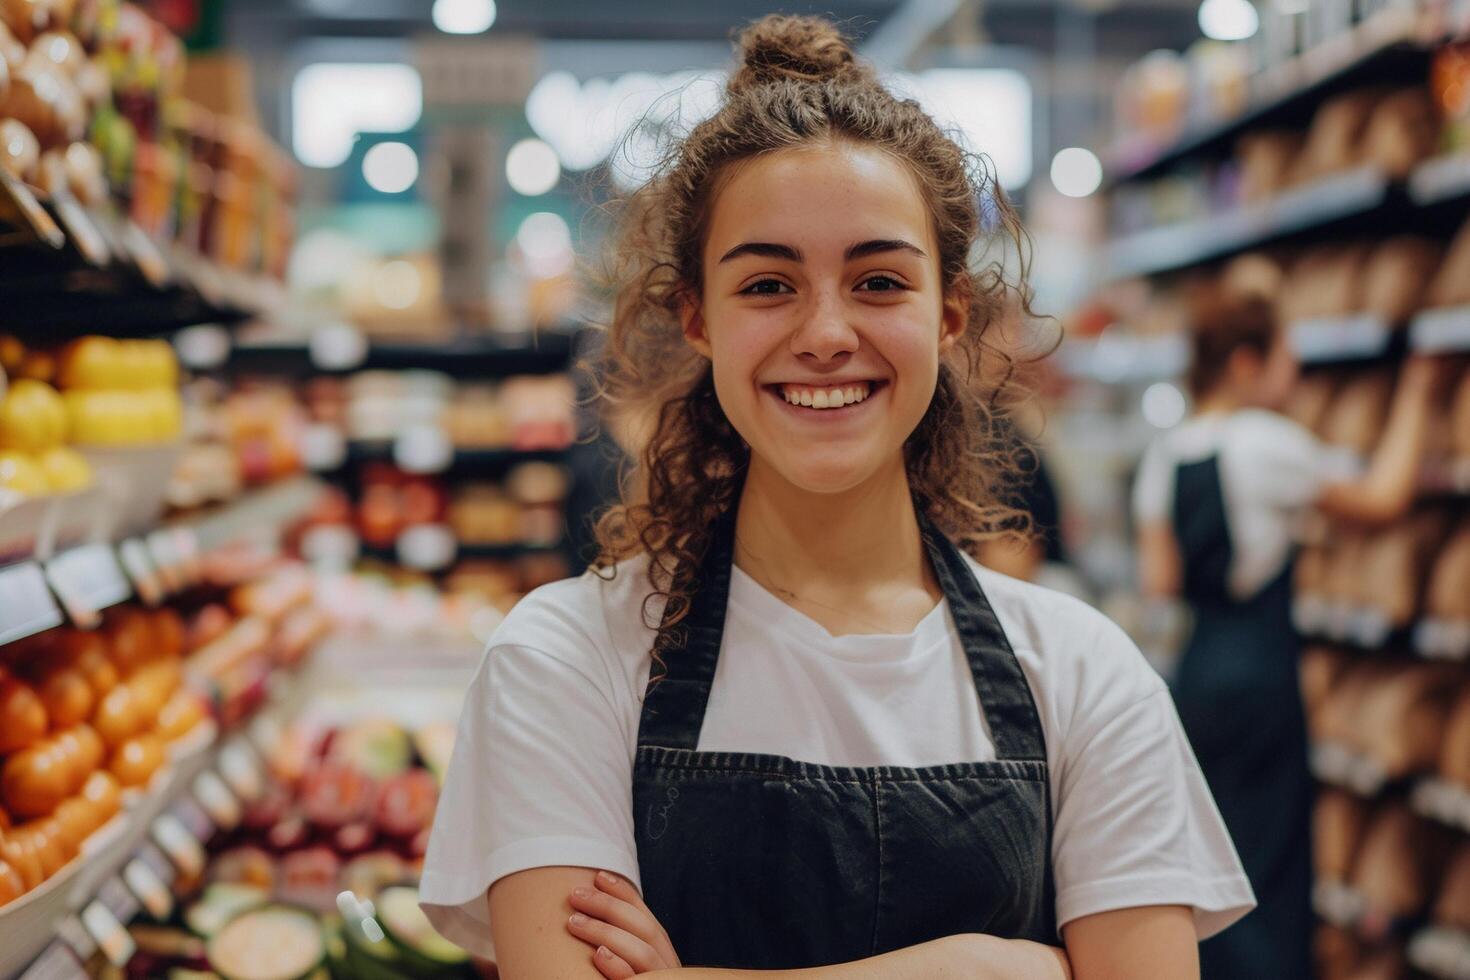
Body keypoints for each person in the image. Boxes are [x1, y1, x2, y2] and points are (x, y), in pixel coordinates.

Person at [421, 15, 1254, 979]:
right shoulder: (563, 661)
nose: (825, 333)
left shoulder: (1084, 675)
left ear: (947, 316)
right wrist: (987, 970)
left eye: (878, 281)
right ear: (697, 317)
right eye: (769, 283)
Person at [1133, 292, 1446, 978]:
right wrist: (1417, 393)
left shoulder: (1166, 454)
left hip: (1197, 670)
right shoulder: (1265, 443)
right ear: (1247, 365)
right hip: (1260, 673)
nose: (1296, 378)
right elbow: (1381, 499)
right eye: (1287, 361)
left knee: (1210, 857)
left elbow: (1160, 581)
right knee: (1269, 865)